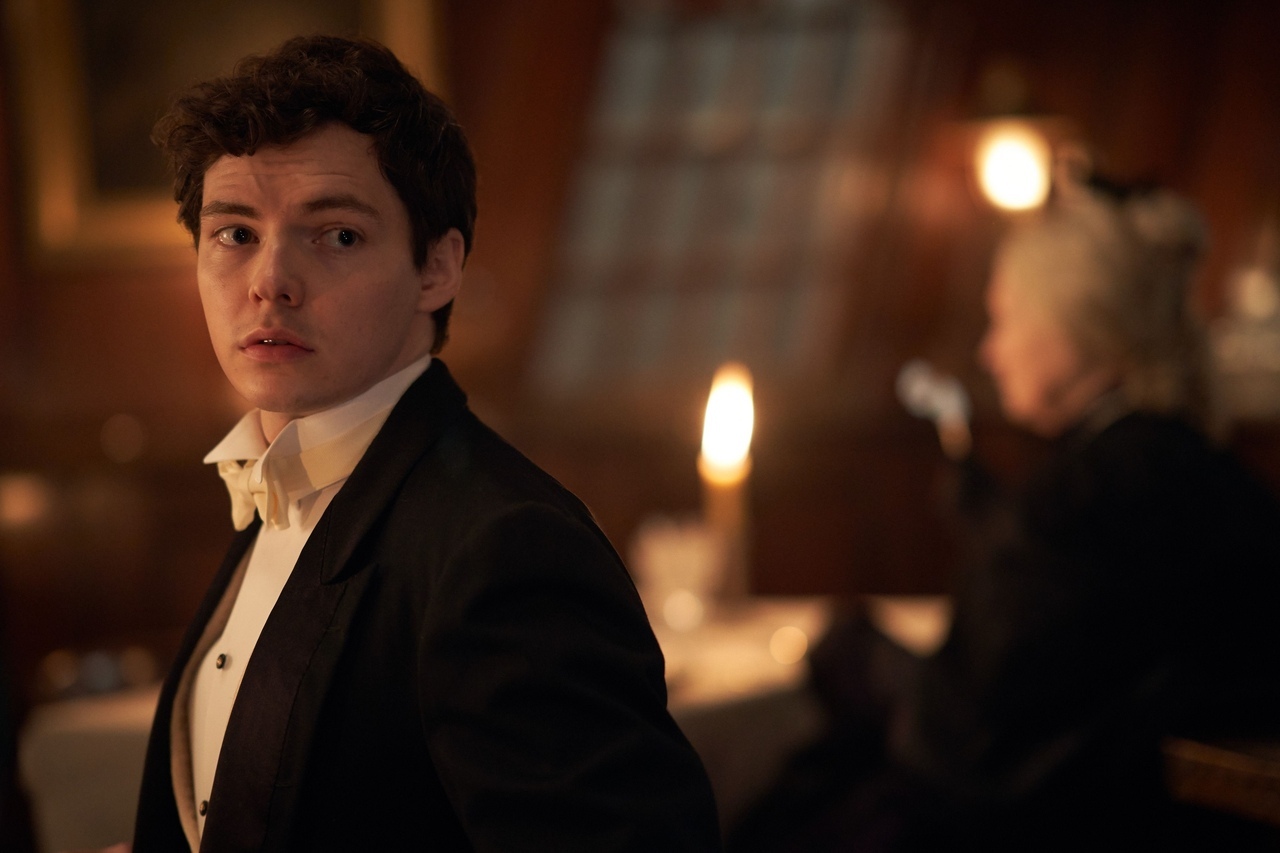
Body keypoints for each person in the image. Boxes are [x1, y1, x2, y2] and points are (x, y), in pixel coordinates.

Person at [129, 35, 720, 852]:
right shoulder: (279, 489)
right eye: (235, 234)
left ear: (438, 267)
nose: (269, 282)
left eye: (337, 235)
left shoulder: (504, 545)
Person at [727, 174, 1280, 851]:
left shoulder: (1081, 498)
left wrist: (858, 660)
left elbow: (964, 740)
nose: (991, 351)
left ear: (1077, 326)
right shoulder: (1210, 474)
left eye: (1005, 319)